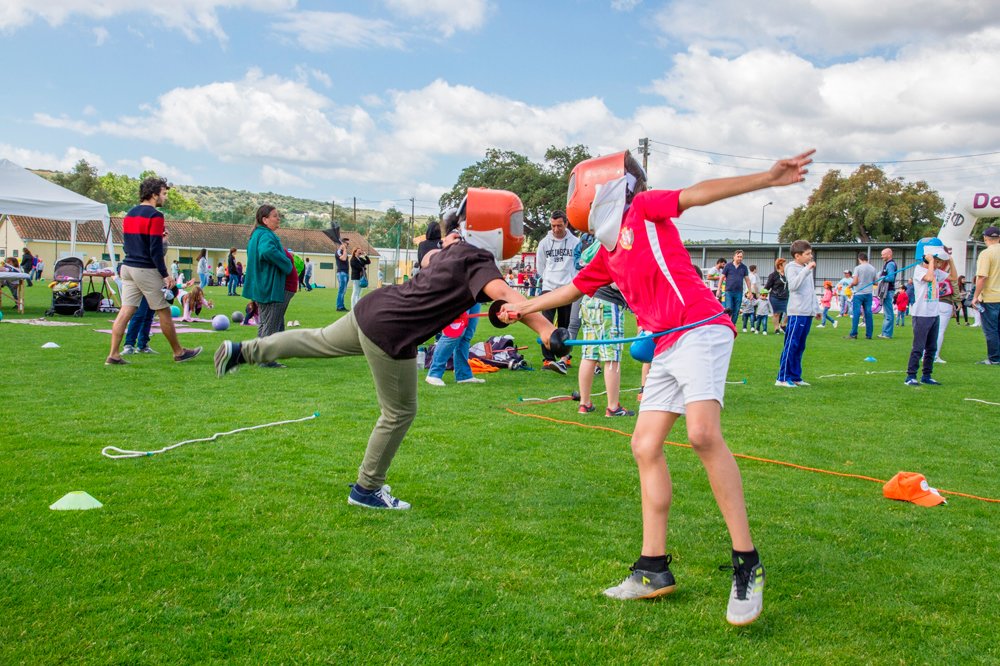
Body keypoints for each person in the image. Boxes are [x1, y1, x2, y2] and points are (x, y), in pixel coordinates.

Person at [503, 147, 814, 626]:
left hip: (702, 327)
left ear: (608, 186)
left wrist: (767, 179)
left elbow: (697, 195)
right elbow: (568, 291)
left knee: (702, 435)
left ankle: (747, 564)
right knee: (645, 444)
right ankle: (653, 570)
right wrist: (522, 309)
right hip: (666, 343)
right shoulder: (607, 254)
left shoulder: (644, 211)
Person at [213, 190, 555, 511]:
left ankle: (244, 350)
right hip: (393, 331)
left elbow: (450, 270)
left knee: (314, 340)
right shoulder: (477, 259)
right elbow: (509, 295)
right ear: (492, 227)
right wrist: (546, 330)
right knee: (400, 412)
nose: (517, 231)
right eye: (513, 223)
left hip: (373, 310)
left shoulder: (453, 249)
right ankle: (366, 489)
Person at [105, 177, 201, 365]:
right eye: (163, 194)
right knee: (164, 311)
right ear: (154, 194)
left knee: (125, 311)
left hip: (127, 267)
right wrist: (165, 275)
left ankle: (114, 354)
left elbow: (130, 244)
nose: (165, 198)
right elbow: (155, 249)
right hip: (145, 269)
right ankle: (179, 352)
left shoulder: (130, 214)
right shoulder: (155, 216)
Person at [243, 205, 294, 368]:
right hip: (270, 286)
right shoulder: (265, 235)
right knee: (271, 322)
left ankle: (260, 355)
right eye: (275, 216)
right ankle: (265, 359)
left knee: (266, 322)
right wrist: (286, 263)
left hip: (262, 285)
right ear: (265, 220)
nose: (278, 219)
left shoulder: (257, 234)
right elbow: (266, 251)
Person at [535, 210, 581, 374]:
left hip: (567, 289)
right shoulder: (544, 243)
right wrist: (547, 279)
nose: (556, 229)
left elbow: (578, 264)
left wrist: (572, 283)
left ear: (566, 224)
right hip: (548, 288)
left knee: (565, 325)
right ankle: (548, 359)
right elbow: (540, 266)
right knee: (545, 324)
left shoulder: (575, 242)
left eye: (559, 225)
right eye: (553, 226)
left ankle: (564, 357)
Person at [906, 244, 950, 385]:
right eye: (936, 261)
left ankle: (927, 375)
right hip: (921, 314)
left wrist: (950, 259)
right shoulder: (919, 271)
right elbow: (930, 278)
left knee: (931, 348)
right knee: (918, 347)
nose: (938, 264)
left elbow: (953, 276)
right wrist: (930, 262)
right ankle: (910, 376)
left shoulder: (936, 271)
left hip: (934, 314)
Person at [776, 240, 817, 387]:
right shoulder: (791, 267)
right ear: (797, 255)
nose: (810, 256)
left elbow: (810, 291)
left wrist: (815, 309)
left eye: (810, 253)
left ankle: (795, 376)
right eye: (807, 254)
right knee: (791, 345)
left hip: (807, 312)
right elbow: (793, 286)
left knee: (800, 346)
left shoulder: (806, 267)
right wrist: (806, 271)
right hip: (797, 312)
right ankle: (782, 377)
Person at [970, 225, 1000, 364]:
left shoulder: (986, 254)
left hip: (991, 297)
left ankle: (994, 358)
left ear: (985, 238)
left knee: (991, 330)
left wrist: (975, 296)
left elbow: (982, 277)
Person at [932, 252, 959, 364]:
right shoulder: (940, 273)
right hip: (944, 302)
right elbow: (954, 280)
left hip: (933, 303)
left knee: (930, 330)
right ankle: (934, 355)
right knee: (939, 331)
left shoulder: (936, 272)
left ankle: (927, 354)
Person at [849, 253, 877, 340]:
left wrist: (850, 285)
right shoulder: (873, 268)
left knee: (856, 313)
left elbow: (855, 281)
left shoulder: (858, 268)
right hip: (868, 294)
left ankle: (853, 334)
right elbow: (875, 282)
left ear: (859, 259)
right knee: (868, 314)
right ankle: (869, 335)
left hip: (858, 293)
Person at [718, 250, 751, 324]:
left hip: (739, 292)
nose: (739, 258)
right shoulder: (728, 266)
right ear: (734, 257)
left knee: (736, 311)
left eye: (741, 257)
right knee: (729, 309)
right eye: (738, 256)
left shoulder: (744, 267)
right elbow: (722, 277)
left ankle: (732, 325)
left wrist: (750, 292)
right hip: (729, 291)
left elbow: (747, 280)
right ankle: (726, 323)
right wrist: (718, 289)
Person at [877, 248, 898, 339]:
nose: (882, 256)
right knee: (886, 313)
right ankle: (884, 332)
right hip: (886, 290)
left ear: (889, 254)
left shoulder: (890, 264)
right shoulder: (887, 264)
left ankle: (887, 334)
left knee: (888, 313)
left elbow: (891, 278)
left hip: (888, 291)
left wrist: (882, 277)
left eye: (883, 254)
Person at [764, 258, 789, 334]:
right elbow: (767, 286)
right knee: (776, 313)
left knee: (789, 312)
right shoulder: (773, 275)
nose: (786, 266)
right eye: (785, 264)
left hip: (786, 296)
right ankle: (776, 328)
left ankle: (783, 324)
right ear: (780, 265)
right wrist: (763, 294)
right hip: (775, 296)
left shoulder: (788, 275)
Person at [335, 240, 350, 311]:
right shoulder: (338, 251)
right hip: (341, 273)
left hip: (345, 273)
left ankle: (342, 306)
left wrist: (345, 250)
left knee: (343, 290)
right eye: (347, 244)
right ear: (343, 244)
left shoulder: (344, 251)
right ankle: (339, 307)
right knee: (341, 290)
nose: (348, 245)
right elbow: (343, 258)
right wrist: (344, 249)